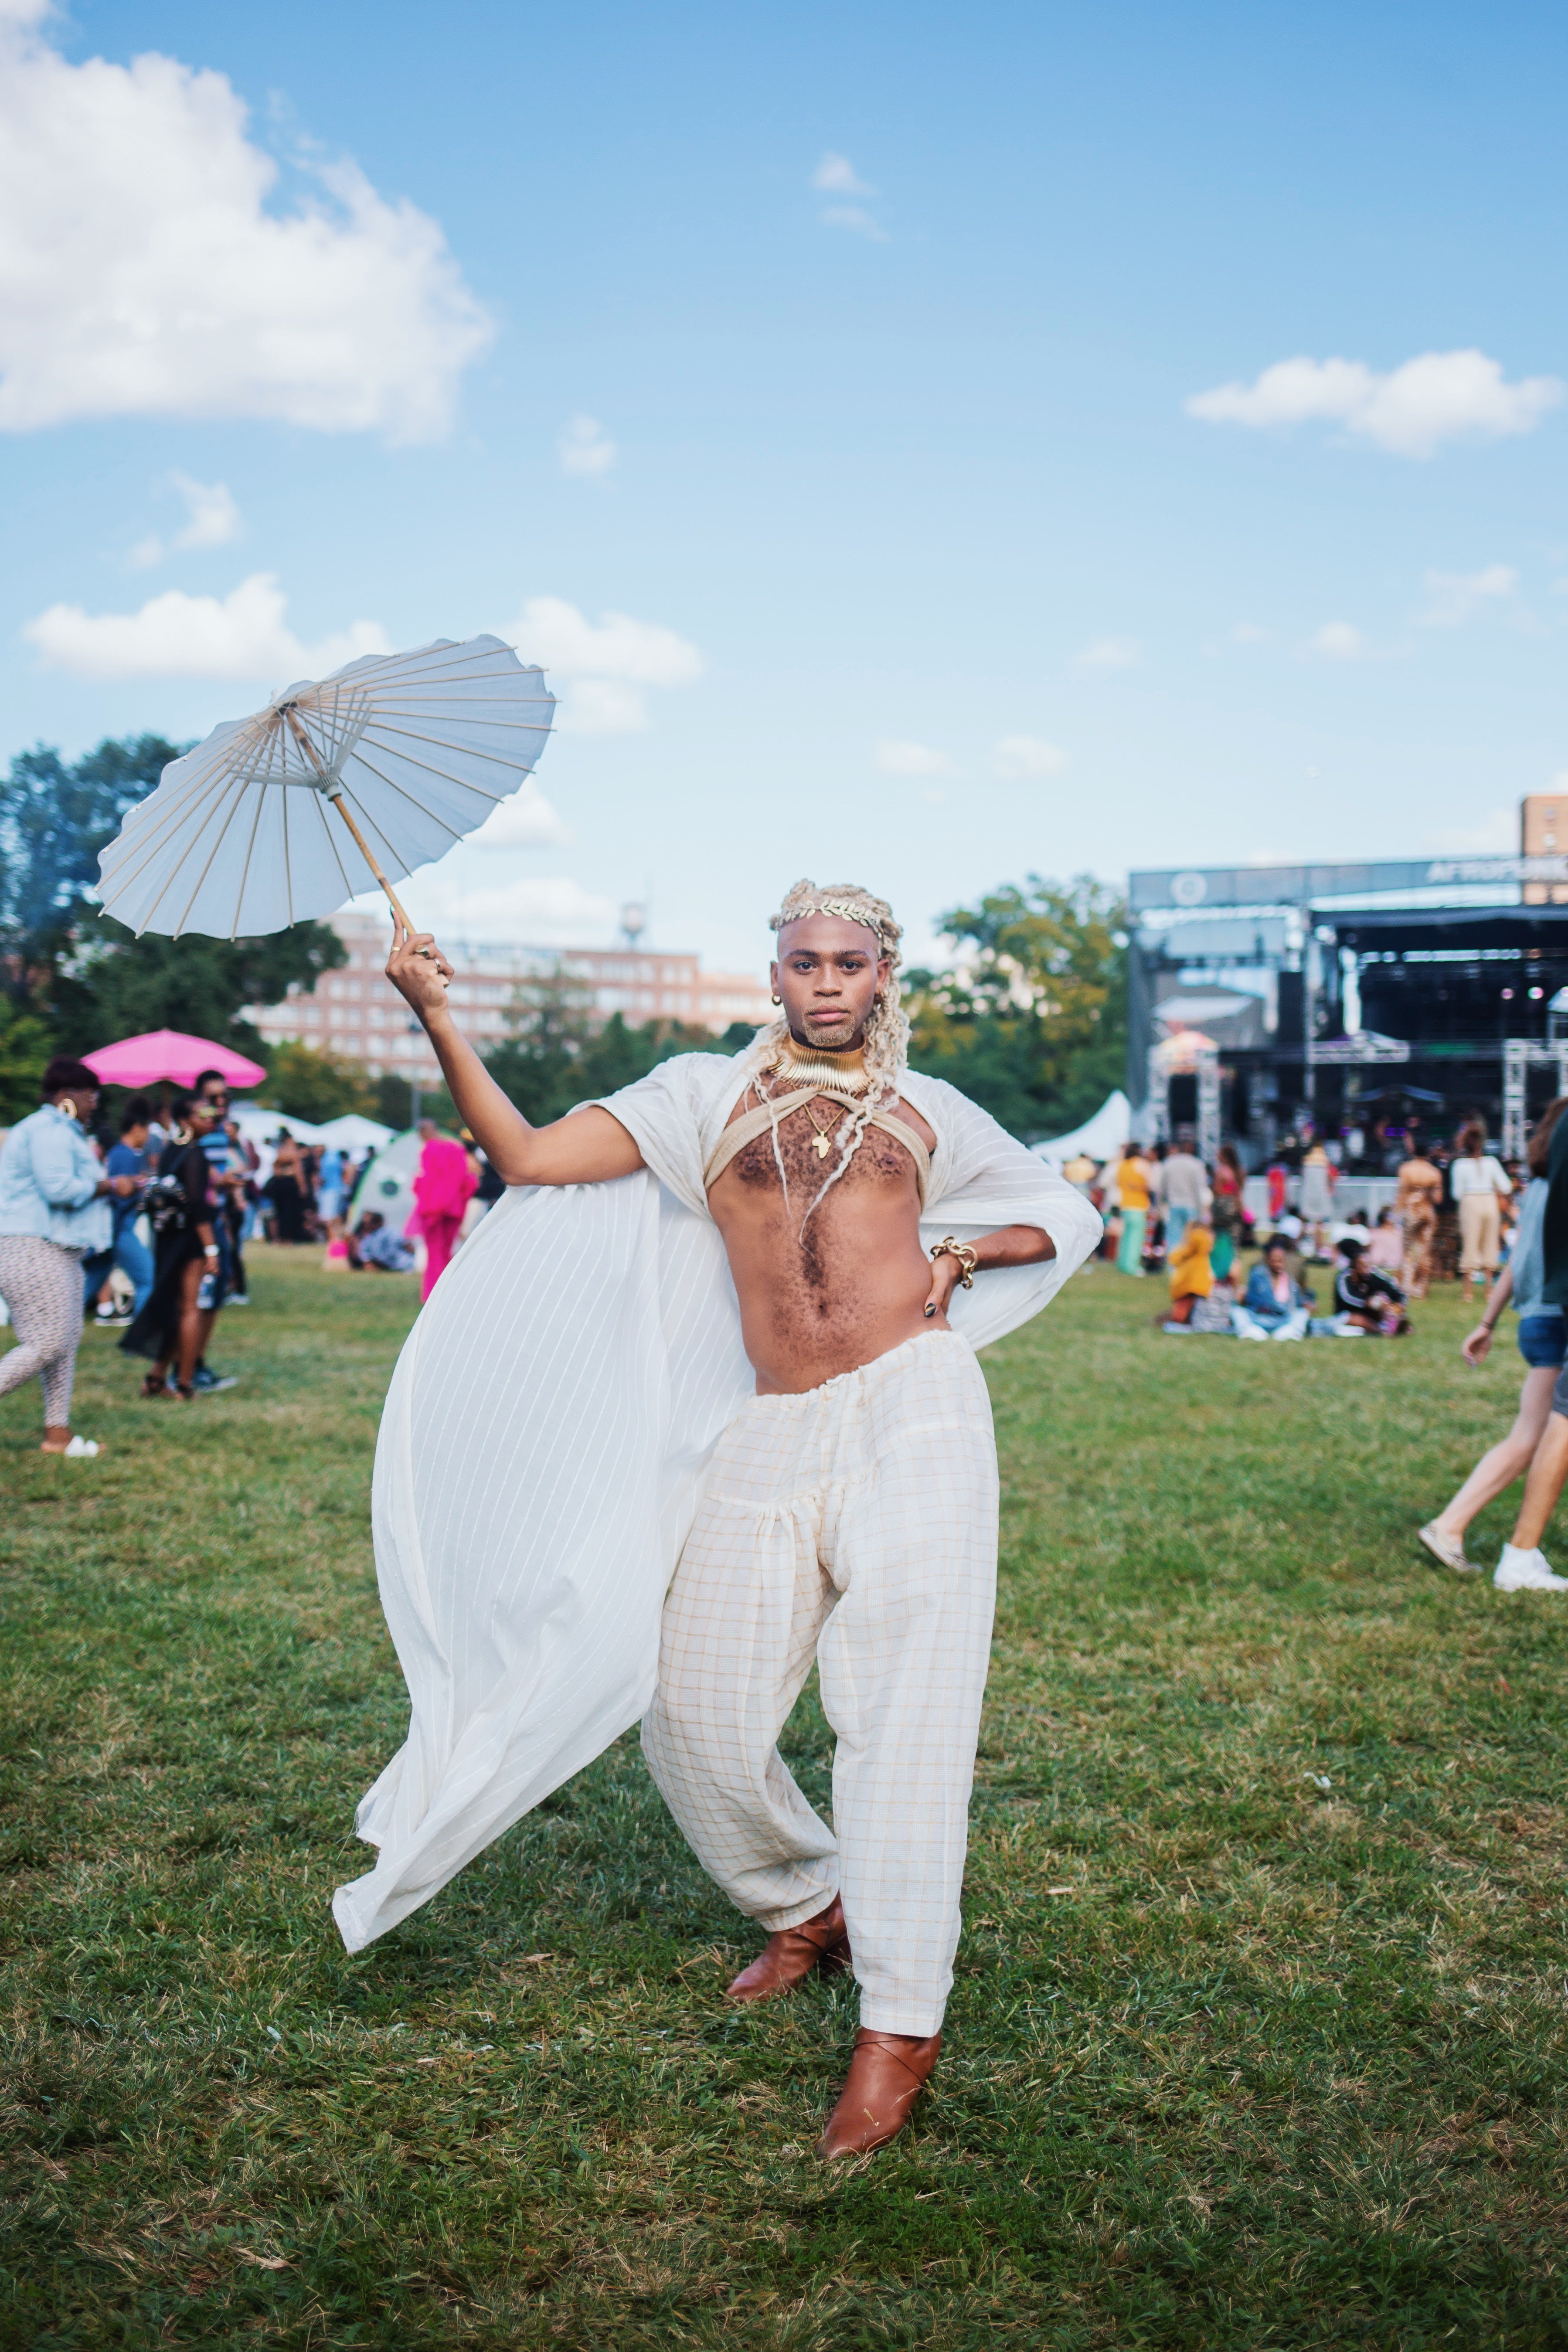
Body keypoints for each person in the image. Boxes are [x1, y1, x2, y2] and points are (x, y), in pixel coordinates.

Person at [332, 879, 1101, 2162]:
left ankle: (899, 2022)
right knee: (693, 1710)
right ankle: (806, 1898)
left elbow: (1062, 1210)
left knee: (902, 1708)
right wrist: (430, 1013)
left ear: (882, 974)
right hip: (769, 1420)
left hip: (912, 1402)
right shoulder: (699, 1094)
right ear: (775, 974)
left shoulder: (927, 1108)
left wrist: (968, 1255)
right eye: (804, 961)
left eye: (850, 962)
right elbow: (524, 1156)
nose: (826, 983)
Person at [1419, 1099, 1568, 1576]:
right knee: (1532, 1437)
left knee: (1534, 1433)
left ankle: (1453, 1525)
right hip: (1555, 1317)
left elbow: (1514, 1263)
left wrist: (1487, 1322)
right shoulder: (1553, 1192)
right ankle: (1451, 1524)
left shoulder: (1539, 1191)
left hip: (1534, 1317)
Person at [0, 1057, 136, 1456]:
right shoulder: (48, 1130)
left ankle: (57, 1435)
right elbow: (59, 1189)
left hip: (60, 1250)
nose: (95, 1104)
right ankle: (56, 1433)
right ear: (67, 1096)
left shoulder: (64, 1131)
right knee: (46, 1344)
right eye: (91, 1096)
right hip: (31, 1245)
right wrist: (112, 1184)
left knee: (65, 1345)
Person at [120, 1094, 225, 1399]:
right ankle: (185, 1384)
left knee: (174, 1304)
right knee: (191, 1310)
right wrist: (211, 1249)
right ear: (184, 1120)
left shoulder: (170, 1151)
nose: (210, 1117)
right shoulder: (195, 1155)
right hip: (191, 1239)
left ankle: (156, 1378)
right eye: (202, 1112)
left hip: (167, 1236)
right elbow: (197, 1204)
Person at [408, 1118, 478, 1301]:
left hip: (434, 1207)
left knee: (435, 1251)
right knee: (447, 1250)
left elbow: (427, 1180)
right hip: (454, 1207)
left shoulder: (428, 1150)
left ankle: (433, 1294)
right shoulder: (456, 1149)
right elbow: (467, 1180)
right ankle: (449, 1291)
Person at [102, 1097, 155, 1322]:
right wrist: (139, 1189)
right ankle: (143, 1331)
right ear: (137, 1128)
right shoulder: (124, 1155)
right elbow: (120, 1194)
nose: (149, 1137)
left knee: (90, 1282)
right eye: (147, 1130)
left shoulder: (118, 1153)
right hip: (121, 1228)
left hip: (114, 1228)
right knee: (147, 1279)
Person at [1451, 1121, 1512, 1292]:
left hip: (1470, 1201)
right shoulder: (1491, 1162)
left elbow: (1456, 1193)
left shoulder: (1459, 1165)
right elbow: (1506, 1186)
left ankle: (1468, 1292)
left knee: (1470, 1243)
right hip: (1489, 1200)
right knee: (1490, 1243)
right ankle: (1488, 1291)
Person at [1231, 1238, 1312, 1341]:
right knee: (1237, 1311)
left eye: (1281, 1261)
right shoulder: (1258, 1275)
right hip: (1259, 1318)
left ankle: (1290, 1332)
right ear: (1268, 1260)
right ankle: (1250, 1331)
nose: (1278, 1264)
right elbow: (1260, 1300)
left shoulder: (1289, 1279)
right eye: (1275, 1261)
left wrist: (1306, 1304)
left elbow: (1296, 1301)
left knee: (1302, 1313)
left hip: (1282, 1320)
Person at [1331, 1237, 1409, 1336]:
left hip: (1371, 1313)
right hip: (1348, 1314)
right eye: (1363, 1266)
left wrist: (1398, 1306)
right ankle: (1382, 1329)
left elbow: (1398, 1292)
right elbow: (1347, 1298)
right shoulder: (1344, 1277)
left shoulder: (1374, 1274)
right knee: (1357, 1319)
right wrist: (1367, 1303)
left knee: (1385, 1302)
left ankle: (1393, 1325)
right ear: (1355, 1266)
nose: (1367, 1269)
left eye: (1368, 1265)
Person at [1396, 1143, 1443, 1299]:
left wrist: (1398, 1211)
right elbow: (1438, 1199)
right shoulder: (1434, 1172)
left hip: (1411, 1209)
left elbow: (1402, 1192)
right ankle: (1420, 1288)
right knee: (1425, 1249)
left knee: (1409, 1249)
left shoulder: (1406, 1169)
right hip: (1427, 1209)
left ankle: (1407, 1287)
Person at [1160, 1135, 1209, 1249]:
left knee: (1174, 1237)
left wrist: (1161, 1203)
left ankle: (1173, 1265)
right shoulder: (1197, 1164)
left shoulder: (1169, 1163)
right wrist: (1200, 1209)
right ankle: (1188, 1263)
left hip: (1174, 1204)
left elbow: (1163, 1187)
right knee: (1190, 1237)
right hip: (1191, 1205)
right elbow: (1199, 1189)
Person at [1163, 1218, 1213, 1327]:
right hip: (1192, 1286)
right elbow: (1174, 1258)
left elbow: (1173, 1258)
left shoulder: (1190, 1249)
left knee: (1183, 1313)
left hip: (1188, 1286)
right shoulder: (1194, 1248)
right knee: (1182, 1313)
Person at [263, 1131, 311, 1243]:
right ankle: (288, 1237)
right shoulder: (293, 1153)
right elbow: (299, 1172)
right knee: (290, 1212)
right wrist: (303, 1187)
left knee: (280, 1212)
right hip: (290, 1184)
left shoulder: (279, 1152)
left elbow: (276, 1169)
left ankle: (279, 1237)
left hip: (280, 1183)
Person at [1112, 1143, 1150, 1275]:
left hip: (1125, 1204)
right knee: (1136, 1238)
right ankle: (1132, 1266)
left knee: (1126, 1237)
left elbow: (1117, 1182)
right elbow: (1149, 1184)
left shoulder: (1123, 1165)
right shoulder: (1141, 1164)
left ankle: (1123, 1263)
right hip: (1139, 1205)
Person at [1210, 1144, 1246, 1280]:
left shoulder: (1221, 1172)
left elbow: (1217, 1191)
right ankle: (1234, 1270)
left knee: (1218, 1239)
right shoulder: (1240, 1172)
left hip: (1222, 1206)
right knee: (1234, 1242)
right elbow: (1239, 1193)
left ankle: (1219, 1269)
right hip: (1235, 1207)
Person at [348, 1210, 415, 1272]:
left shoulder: (367, 1240)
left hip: (395, 1268)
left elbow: (367, 1264)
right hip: (407, 1267)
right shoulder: (394, 1232)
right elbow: (410, 1248)